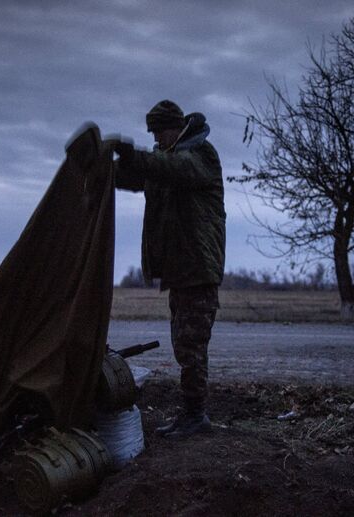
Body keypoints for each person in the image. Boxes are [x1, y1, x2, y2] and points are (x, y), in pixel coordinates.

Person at [114, 100, 225, 439]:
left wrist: (134, 154)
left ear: (177, 128)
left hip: (198, 268)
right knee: (183, 344)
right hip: (181, 270)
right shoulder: (168, 160)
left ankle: (196, 416)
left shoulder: (201, 155)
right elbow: (145, 175)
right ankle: (191, 414)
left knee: (191, 346)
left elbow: (172, 169)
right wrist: (108, 168)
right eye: (153, 134)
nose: (157, 139)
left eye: (160, 132)